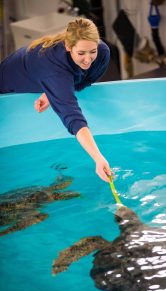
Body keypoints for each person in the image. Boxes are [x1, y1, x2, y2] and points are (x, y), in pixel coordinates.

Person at [0, 18, 112, 182]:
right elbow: (72, 117)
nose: (88, 59)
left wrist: (53, 92)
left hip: (44, 75)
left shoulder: (102, 53)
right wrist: (98, 157)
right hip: (6, 79)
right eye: (81, 53)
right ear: (68, 46)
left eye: (92, 51)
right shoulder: (53, 70)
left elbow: (84, 80)